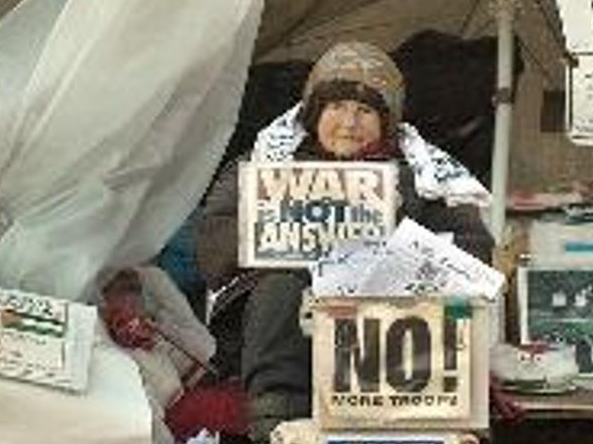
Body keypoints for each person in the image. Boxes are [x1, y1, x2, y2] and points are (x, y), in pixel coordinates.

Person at [195, 41, 494, 442]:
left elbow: (473, 247)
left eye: (365, 111)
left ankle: (421, 428)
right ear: (315, 113)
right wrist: (296, 231)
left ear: (386, 121)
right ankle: (278, 424)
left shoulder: (425, 173)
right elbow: (214, 242)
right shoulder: (268, 161)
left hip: (389, 317)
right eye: (336, 107)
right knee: (280, 290)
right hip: (287, 308)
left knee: (443, 308)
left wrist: (398, 231)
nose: (349, 122)